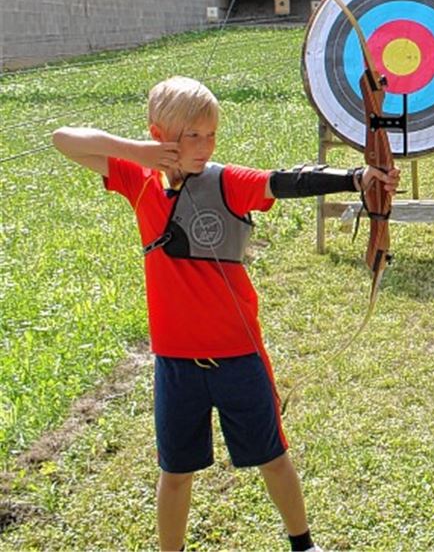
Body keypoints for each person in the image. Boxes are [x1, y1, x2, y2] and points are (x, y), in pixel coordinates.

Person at [52, 75, 399, 552]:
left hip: (238, 354)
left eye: (210, 134)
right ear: (158, 133)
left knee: (273, 457)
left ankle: (304, 544)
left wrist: (357, 178)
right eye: (191, 135)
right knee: (175, 472)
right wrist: (138, 153)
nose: (203, 145)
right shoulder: (137, 180)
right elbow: (63, 140)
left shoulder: (227, 181)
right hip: (175, 363)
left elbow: (285, 180)